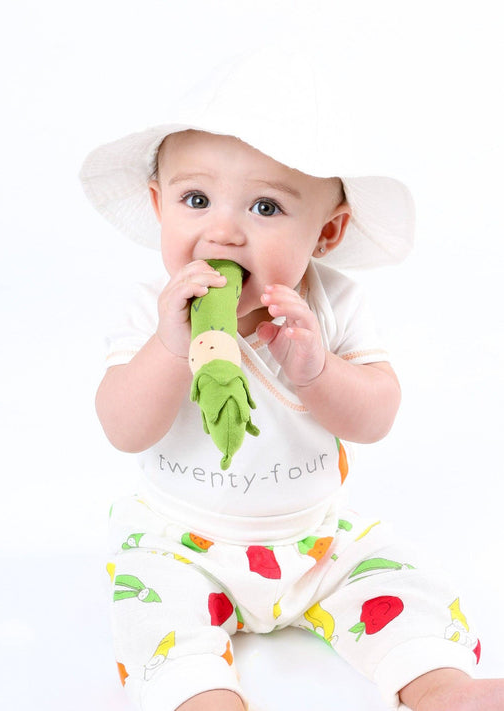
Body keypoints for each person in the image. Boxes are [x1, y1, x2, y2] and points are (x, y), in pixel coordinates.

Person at [80, 50, 504, 711]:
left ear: (326, 231)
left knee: (399, 579)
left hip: (315, 539)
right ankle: (203, 697)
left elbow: (375, 416)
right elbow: (122, 426)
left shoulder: (330, 307)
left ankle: (441, 684)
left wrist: (318, 371)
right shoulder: (149, 310)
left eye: (266, 207)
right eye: (196, 199)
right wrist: (169, 346)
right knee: (153, 617)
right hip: (179, 541)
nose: (222, 230)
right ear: (158, 205)